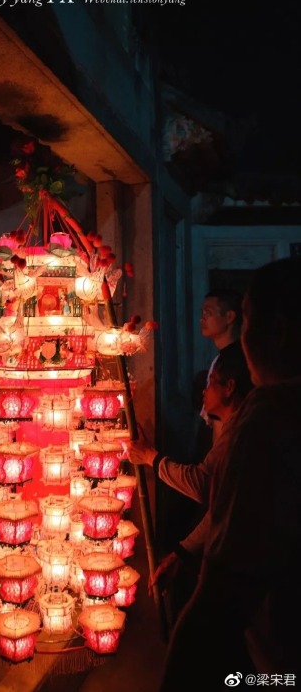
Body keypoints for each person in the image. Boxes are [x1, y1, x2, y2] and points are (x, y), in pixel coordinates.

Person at [157, 257, 301, 691]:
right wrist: (184, 550)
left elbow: (223, 589)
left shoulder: (270, 417)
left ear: (274, 330)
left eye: (250, 322)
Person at [130, 341, 254, 610]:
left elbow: (203, 484)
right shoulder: (233, 429)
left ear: (229, 388)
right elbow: (221, 505)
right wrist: (182, 552)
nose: (204, 390)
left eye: (211, 382)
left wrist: (151, 457)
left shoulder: (242, 434)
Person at [198, 288, 243, 442]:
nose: (202, 319)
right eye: (202, 313)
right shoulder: (223, 356)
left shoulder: (234, 360)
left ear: (229, 316)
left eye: (208, 313)